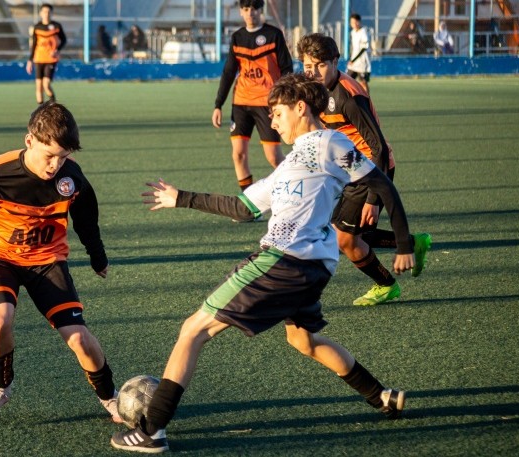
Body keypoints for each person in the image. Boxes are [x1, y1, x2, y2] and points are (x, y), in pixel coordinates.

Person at [110, 73, 411, 454]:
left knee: (193, 330)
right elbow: (242, 208)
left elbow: (382, 183)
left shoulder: (329, 141)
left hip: (283, 260)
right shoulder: (290, 164)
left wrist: (404, 244)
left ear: (301, 108)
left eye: (279, 113)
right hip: (310, 268)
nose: (273, 121)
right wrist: (181, 197)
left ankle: (152, 431)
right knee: (303, 340)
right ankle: (381, 396)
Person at [0, 101, 122, 424]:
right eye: (49, 155)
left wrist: (97, 256)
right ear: (29, 141)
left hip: (47, 260)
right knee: (0, 318)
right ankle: (0, 386)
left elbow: (86, 217)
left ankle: (110, 397)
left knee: (79, 338)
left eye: (64, 156)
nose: (55, 165)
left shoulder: (71, 176)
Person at [297, 33, 431, 306]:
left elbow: (378, 148)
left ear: (335, 62)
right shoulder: (315, 87)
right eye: (308, 66)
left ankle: (387, 285)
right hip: (350, 170)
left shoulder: (349, 97)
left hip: (372, 170)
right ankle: (412, 242)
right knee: (348, 231)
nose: (313, 72)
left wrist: (372, 198)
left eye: (320, 65)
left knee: (344, 239)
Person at [212, 0, 293, 199]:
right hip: (240, 103)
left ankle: (294, 193)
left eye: (255, 9)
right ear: (241, 12)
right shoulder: (237, 37)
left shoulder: (274, 35)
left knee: (274, 157)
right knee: (238, 154)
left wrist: (282, 98)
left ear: (260, 11)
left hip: (267, 104)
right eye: (246, 9)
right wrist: (218, 105)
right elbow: (229, 72)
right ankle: (249, 205)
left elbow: (287, 69)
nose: (251, 13)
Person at [26, 3, 66, 104]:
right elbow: (34, 44)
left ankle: (53, 104)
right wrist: (30, 60)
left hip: (51, 59)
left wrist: (57, 50)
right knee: (38, 86)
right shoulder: (37, 27)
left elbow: (64, 40)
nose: (46, 14)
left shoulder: (56, 26)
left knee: (46, 84)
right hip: (39, 58)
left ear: (52, 13)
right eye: (44, 11)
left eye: (48, 12)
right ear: (40, 13)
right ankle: (40, 109)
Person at [347, 13, 371, 94]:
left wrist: (353, 59)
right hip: (354, 63)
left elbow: (364, 48)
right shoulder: (353, 32)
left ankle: (367, 101)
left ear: (359, 22)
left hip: (362, 62)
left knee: (363, 83)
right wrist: (351, 59)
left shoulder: (363, 32)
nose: (354, 24)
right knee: (346, 80)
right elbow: (354, 48)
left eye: (355, 22)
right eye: (352, 23)